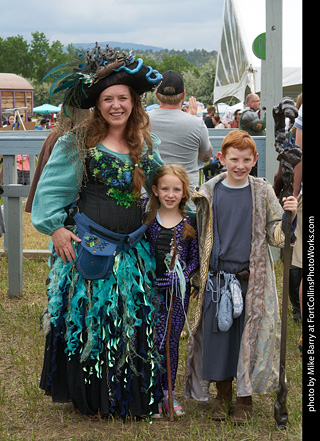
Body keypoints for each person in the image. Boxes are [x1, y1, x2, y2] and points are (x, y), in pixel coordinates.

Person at [31, 43, 166, 419]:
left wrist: (192, 202)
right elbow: (50, 194)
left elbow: (164, 184)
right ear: (97, 105)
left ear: (134, 102)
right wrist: (55, 229)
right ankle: (92, 397)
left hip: (133, 252)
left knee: (129, 321)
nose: (116, 105)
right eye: (108, 99)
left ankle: (127, 394)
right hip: (90, 249)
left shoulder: (146, 144)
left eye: (123, 98)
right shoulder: (77, 144)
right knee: (94, 322)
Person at [184, 130, 297, 424]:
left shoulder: (261, 191)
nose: (240, 165)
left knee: (247, 338)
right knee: (218, 338)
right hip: (217, 281)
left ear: (255, 159)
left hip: (251, 279)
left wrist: (289, 218)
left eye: (246, 159)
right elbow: (196, 235)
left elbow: (276, 235)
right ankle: (222, 395)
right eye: (234, 159)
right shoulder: (208, 194)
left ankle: (244, 399)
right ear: (222, 158)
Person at [145, 164, 199, 417]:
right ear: (155, 190)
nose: (170, 194)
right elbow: (142, 256)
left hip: (178, 296)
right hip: (152, 294)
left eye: (176, 189)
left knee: (171, 341)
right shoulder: (148, 224)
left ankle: (169, 394)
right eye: (165, 188)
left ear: (184, 192)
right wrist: (152, 279)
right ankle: (152, 394)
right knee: (153, 341)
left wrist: (181, 277)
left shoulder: (189, 224)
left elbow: (194, 259)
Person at [148, 70, 213, 207]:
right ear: (183, 94)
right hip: (187, 200)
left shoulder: (142, 121)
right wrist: (192, 119)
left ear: (156, 94)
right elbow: (205, 157)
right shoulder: (196, 124)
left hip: (151, 198)